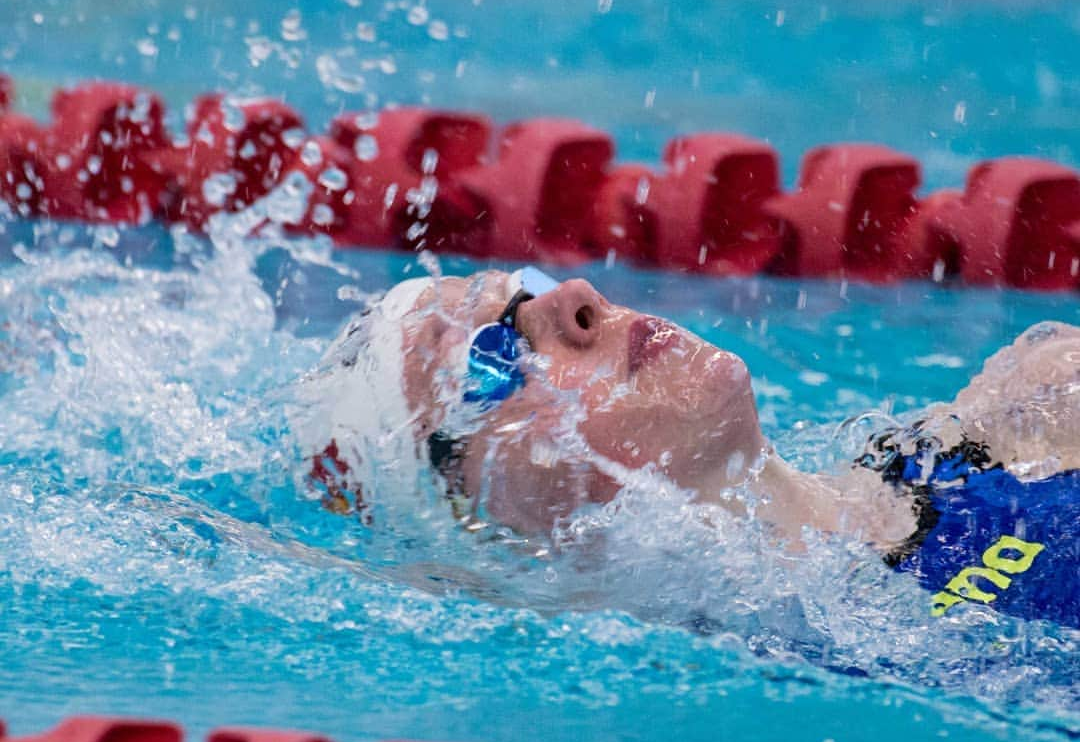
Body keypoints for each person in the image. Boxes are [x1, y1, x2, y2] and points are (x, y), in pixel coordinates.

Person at [295, 268, 1080, 628]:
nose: (574, 300)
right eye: (494, 357)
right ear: (481, 536)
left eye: (527, 290)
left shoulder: (1032, 418)